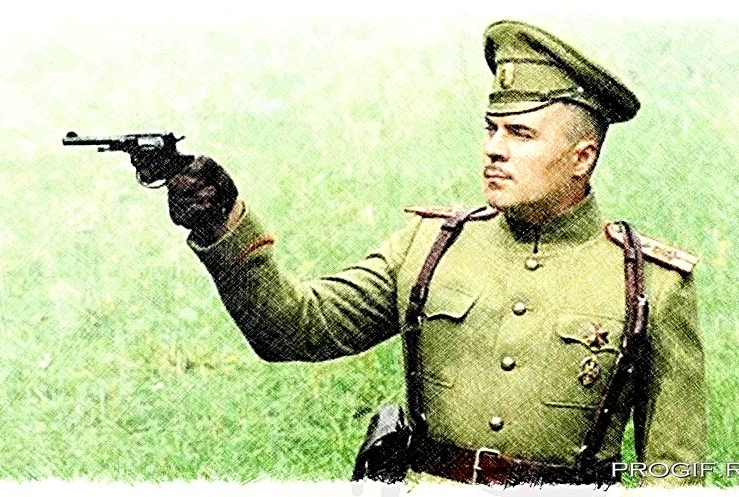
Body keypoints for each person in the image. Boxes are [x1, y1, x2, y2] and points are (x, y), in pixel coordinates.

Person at [158, 20, 707, 488]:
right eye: (491, 130)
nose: (494, 149)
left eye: (520, 134)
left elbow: (676, 473)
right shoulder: (429, 248)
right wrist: (222, 222)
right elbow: (293, 330)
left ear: (581, 158)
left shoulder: (650, 284)